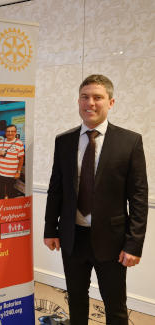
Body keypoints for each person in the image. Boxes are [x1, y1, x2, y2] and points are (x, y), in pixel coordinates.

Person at [44, 74, 148, 325]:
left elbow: (138, 196)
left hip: (112, 241)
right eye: (84, 97)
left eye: (97, 97)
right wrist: (50, 229)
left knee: (115, 305)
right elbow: (55, 189)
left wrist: (134, 244)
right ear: (78, 101)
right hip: (72, 236)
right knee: (76, 299)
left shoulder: (130, 141)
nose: (90, 103)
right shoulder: (64, 141)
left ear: (111, 102)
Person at [0, 125, 24, 199]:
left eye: (12, 131)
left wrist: (18, 172)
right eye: (8, 131)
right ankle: (1, 205)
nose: (10, 133)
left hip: (11, 173)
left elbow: (21, 158)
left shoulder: (19, 143)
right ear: (5, 132)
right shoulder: (1, 142)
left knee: (10, 192)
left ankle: (9, 207)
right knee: (0, 192)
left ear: (15, 132)